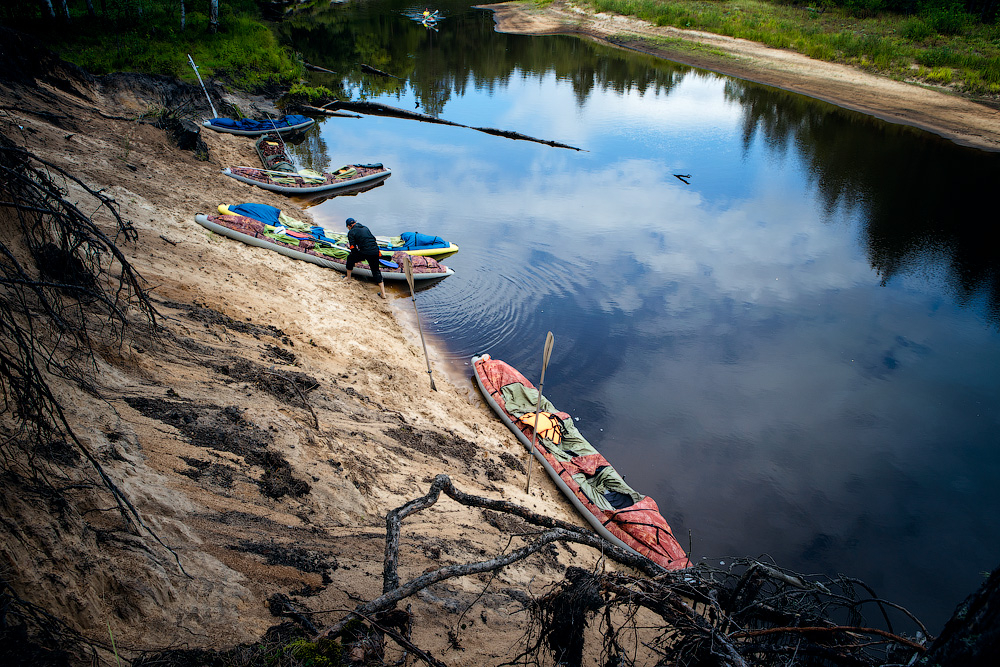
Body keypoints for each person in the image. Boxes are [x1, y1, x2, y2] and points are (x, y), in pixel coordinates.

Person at [343, 217, 386, 299]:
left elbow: (352, 247)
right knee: (376, 271)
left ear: (348, 226)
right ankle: (383, 294)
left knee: (350, 258)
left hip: (365, 252)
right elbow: (373, 239)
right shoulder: (365, 228)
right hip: (375, 251)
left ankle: (348, 278)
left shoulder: (351, 232)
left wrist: (355, 259)